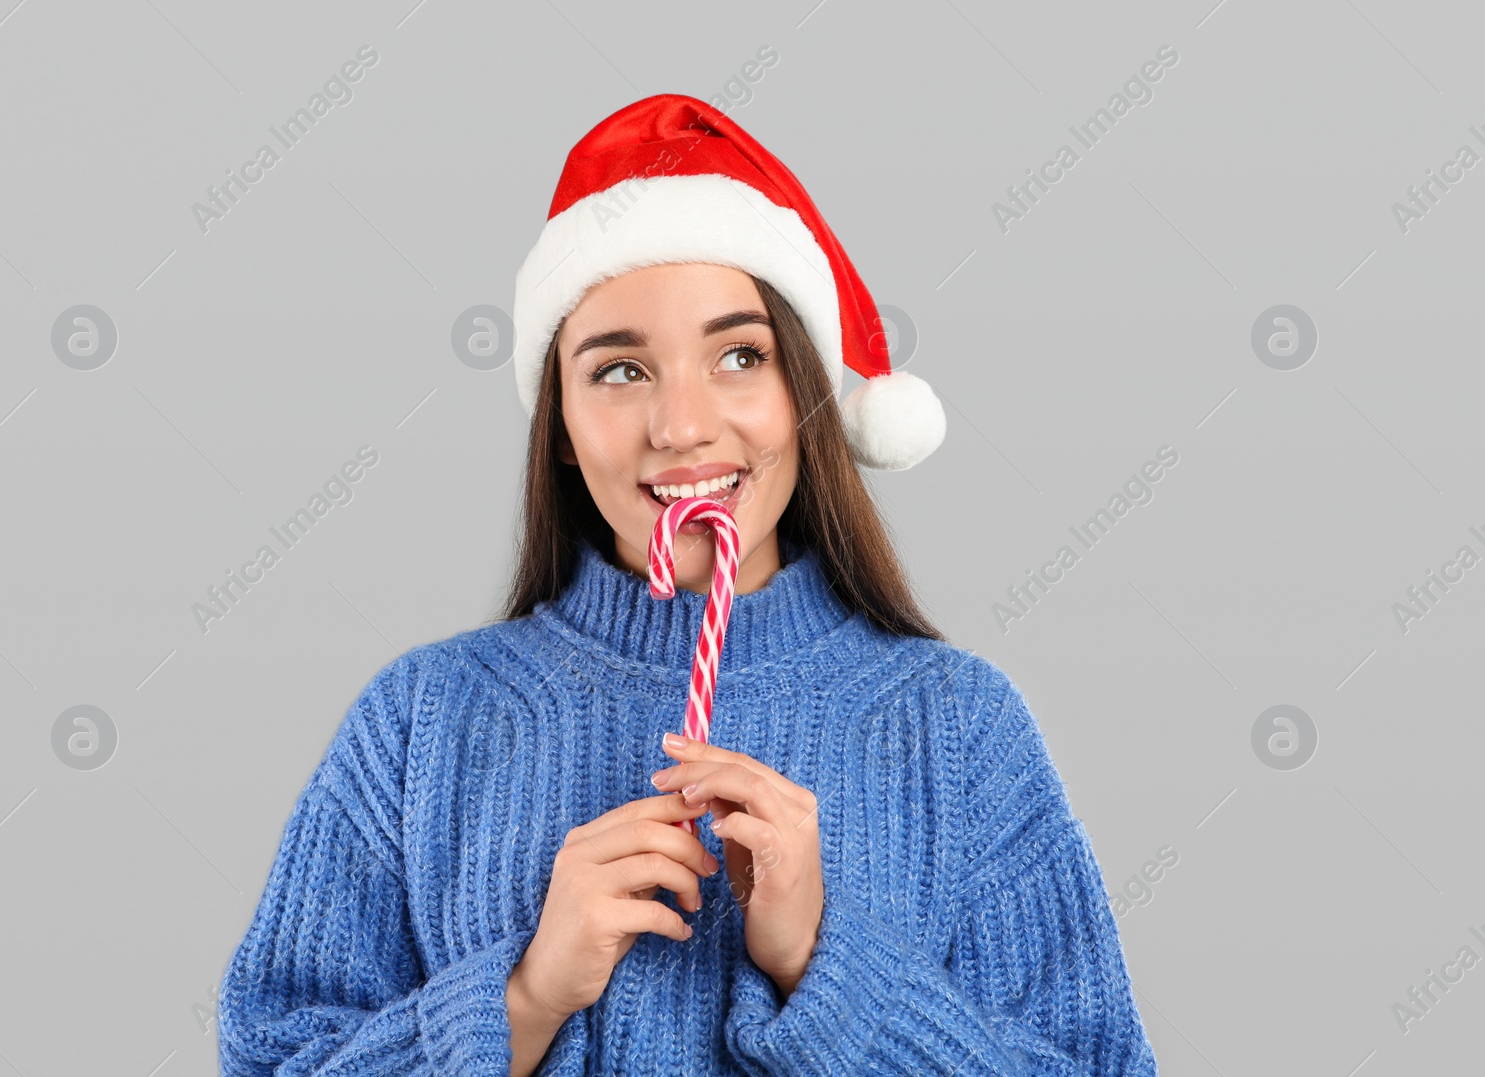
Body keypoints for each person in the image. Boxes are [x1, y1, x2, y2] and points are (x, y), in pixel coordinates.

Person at [217, 94, 1159, 1076]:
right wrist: (527, 998)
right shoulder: (419, 720)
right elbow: (274, 1055)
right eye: (619, 371)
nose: (681, 426)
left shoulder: (957, 724)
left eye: (739, 357)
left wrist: (822, 969)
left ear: (804, 389)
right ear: (563, 430)